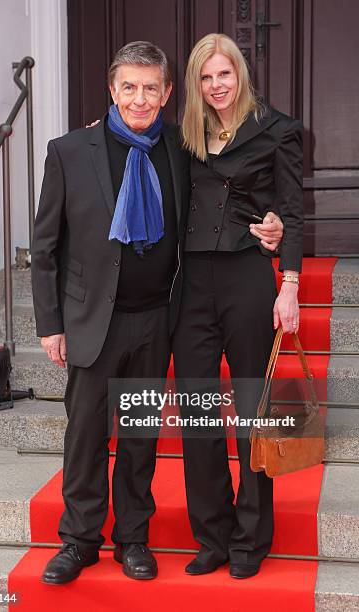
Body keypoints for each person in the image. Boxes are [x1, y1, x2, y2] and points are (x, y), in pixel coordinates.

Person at [31, 40, 283, 585]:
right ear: (111, 88)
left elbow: (234, 191)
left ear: (168, 93)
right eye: (129, 87)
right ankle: (78, 540)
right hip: (91, 320)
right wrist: (50, 323)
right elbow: (45, 244)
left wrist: (271, 224)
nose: (139, 99)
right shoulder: (69, 150)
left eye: (151, 88)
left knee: (142, 435)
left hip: (155, 320)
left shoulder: (180, 147)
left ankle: (133, 540)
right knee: (87, 436)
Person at [172, 33, 303, 580]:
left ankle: (252, 538)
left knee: (252, 408)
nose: (216, 86)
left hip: (249, 274)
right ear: (196, 84)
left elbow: (292, 213)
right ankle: (213, 535)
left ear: (241, 75)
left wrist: (290, 285)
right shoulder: (183, 134)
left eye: (224, 74)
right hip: (192, 281)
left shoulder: (277, 130)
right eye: (206, 77)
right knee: (198, 408)